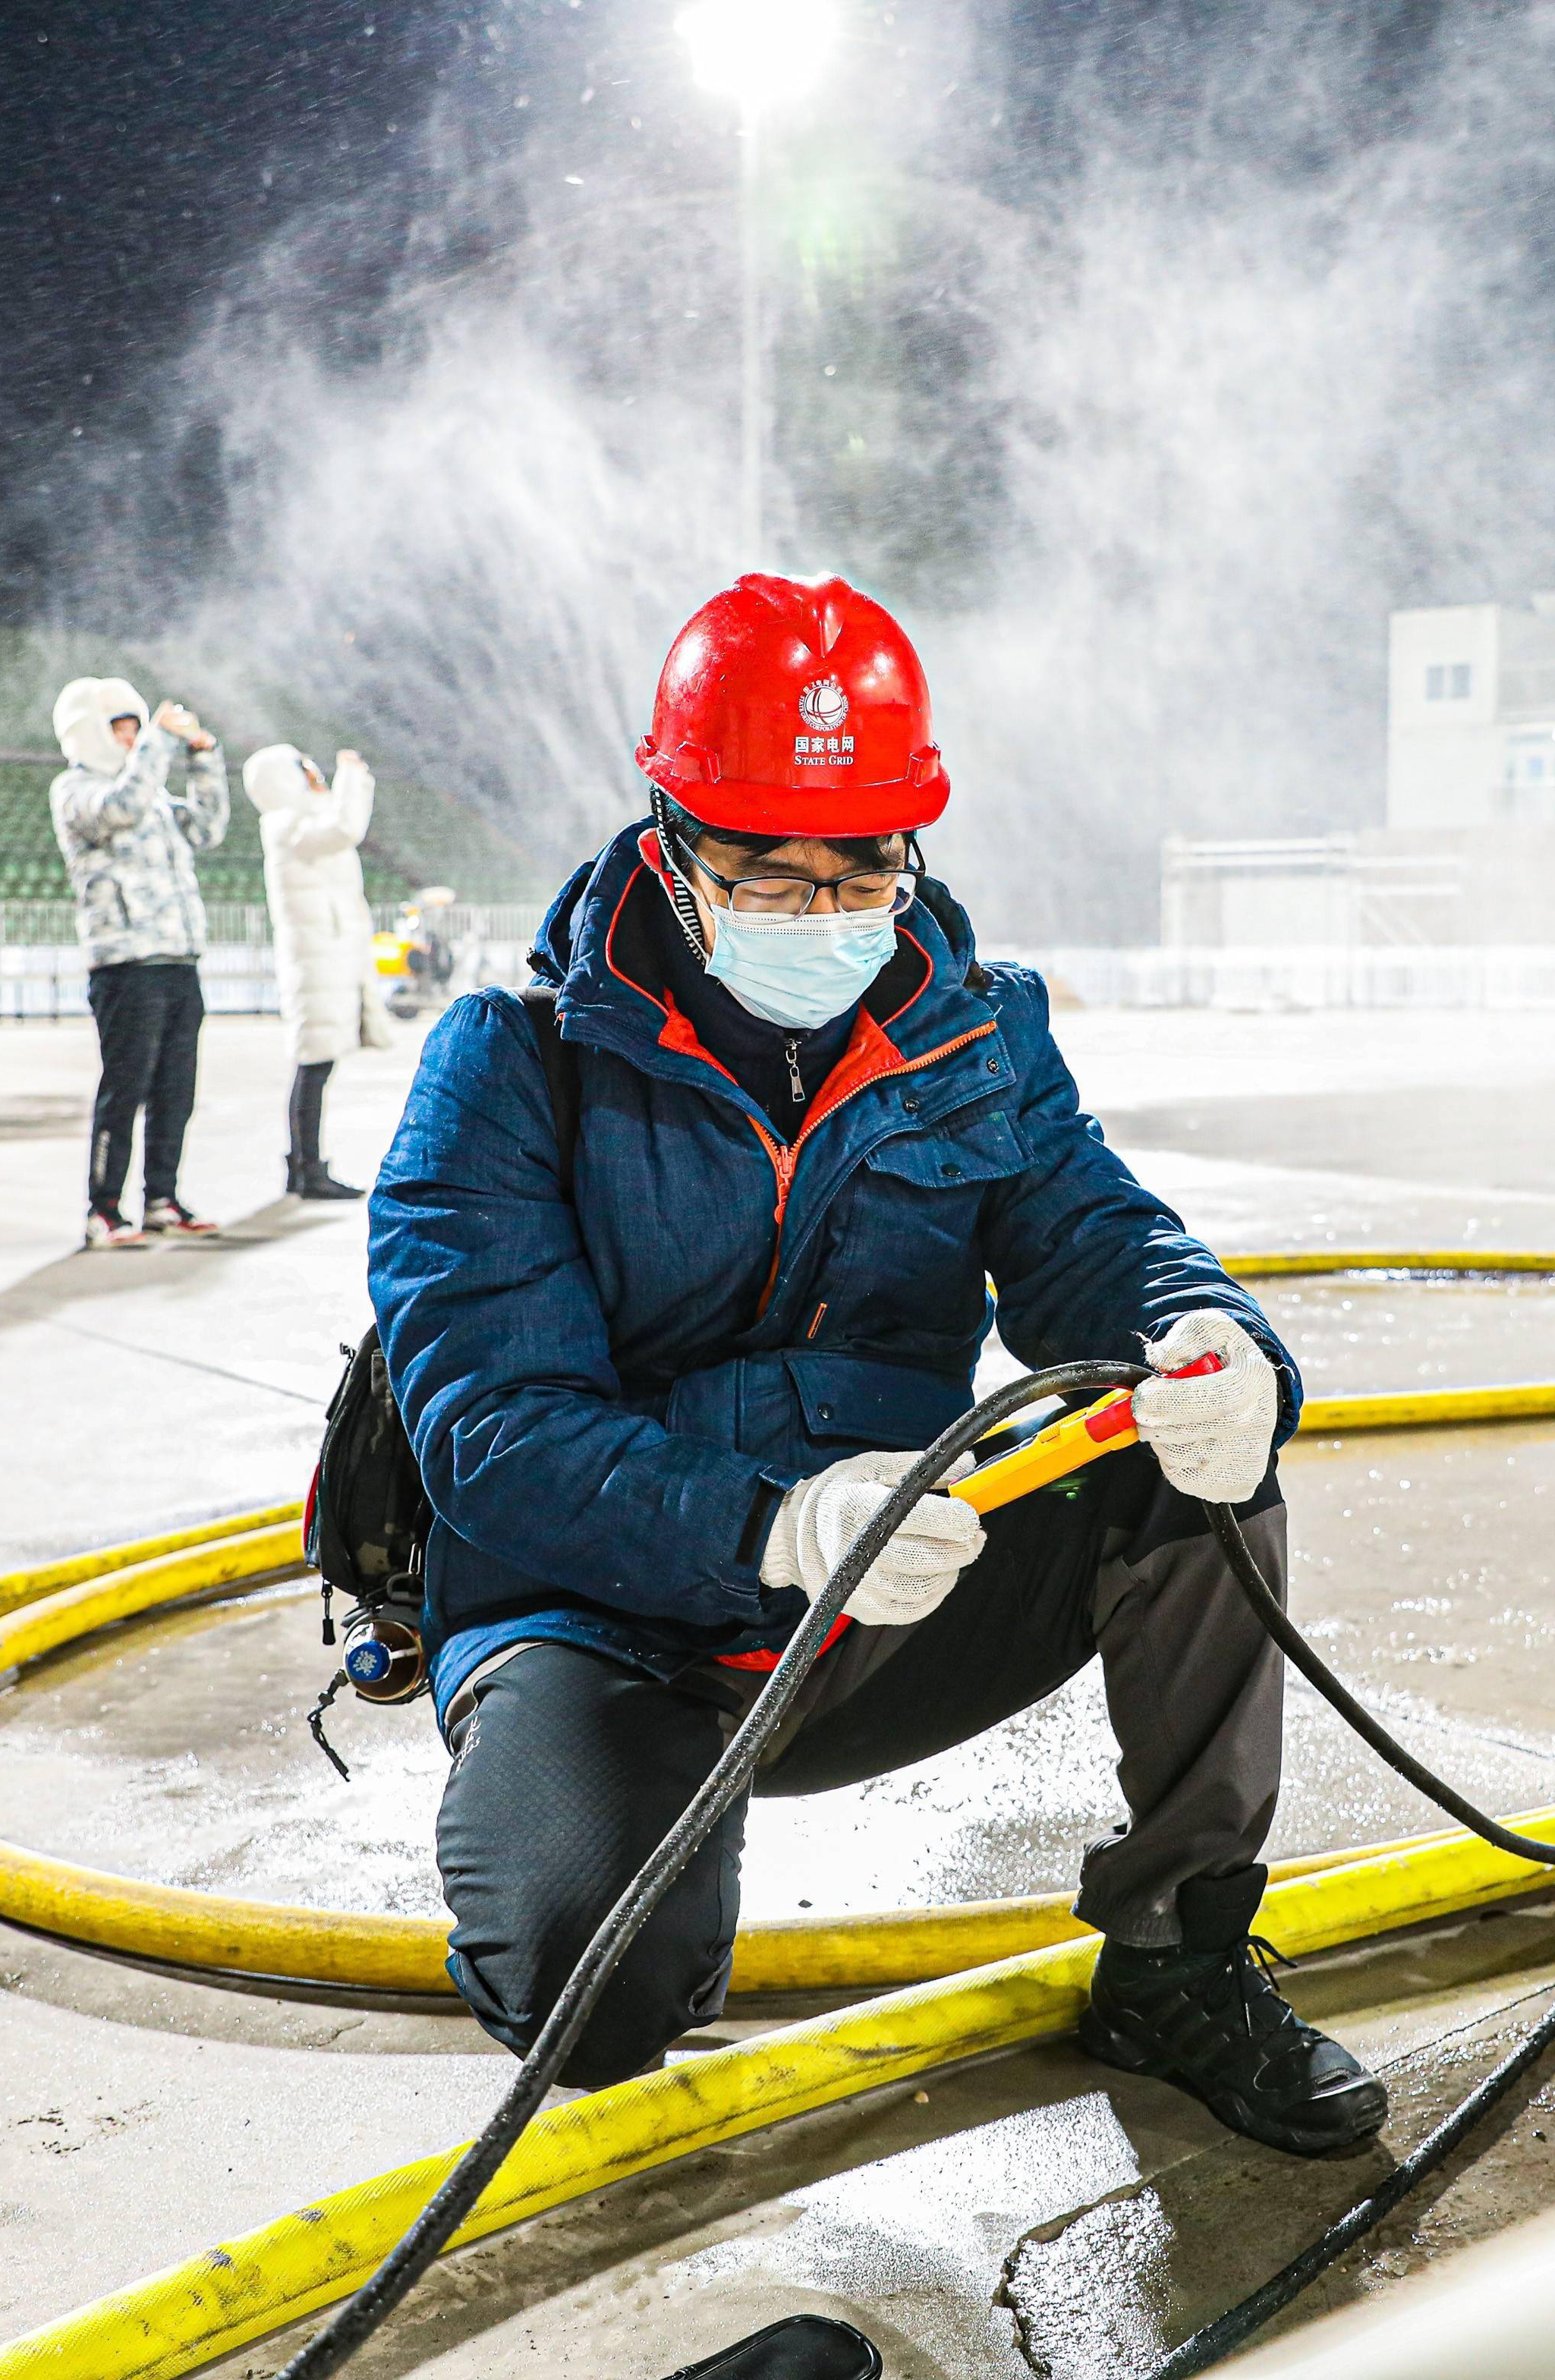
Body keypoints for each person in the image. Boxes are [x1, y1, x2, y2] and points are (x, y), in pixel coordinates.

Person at [365, 574, 1386, 2155]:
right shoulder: (510, 1065)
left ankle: (1178, 1952)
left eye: (861, 869)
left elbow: (1098, 1235)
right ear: (669, 837)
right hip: (610, 1620)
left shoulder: (979, 1032)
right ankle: (583, 1831)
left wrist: (1218, 1337)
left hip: (895, 1587)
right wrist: (767, 1514)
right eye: (766, 870)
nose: (821, 909)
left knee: (1194, 1458)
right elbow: (490, 1430)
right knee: (592, 1985)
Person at [50, 675, 231, 1248]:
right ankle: (103, 1208)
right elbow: (120, 808)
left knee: (177, 1089)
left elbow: (207, 828)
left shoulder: (153, 795)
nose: (131, 741)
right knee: (125, 1089)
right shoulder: (75, 791)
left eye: (135, 729)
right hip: (125, 964)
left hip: (178, 958)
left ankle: (162, 1198)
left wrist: (203, 758)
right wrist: (158, 739)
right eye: (120, 730)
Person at [240, 741, 392, 1201]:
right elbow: (347, 827)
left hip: (327, 955)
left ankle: (305, 1167)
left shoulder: (303, 822)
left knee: (317, 1065)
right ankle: (307, 1169)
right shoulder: (287, 824)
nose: (313, 772)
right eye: (301, 767)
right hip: (316, 959)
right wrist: (352, 778)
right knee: (314, 1064)